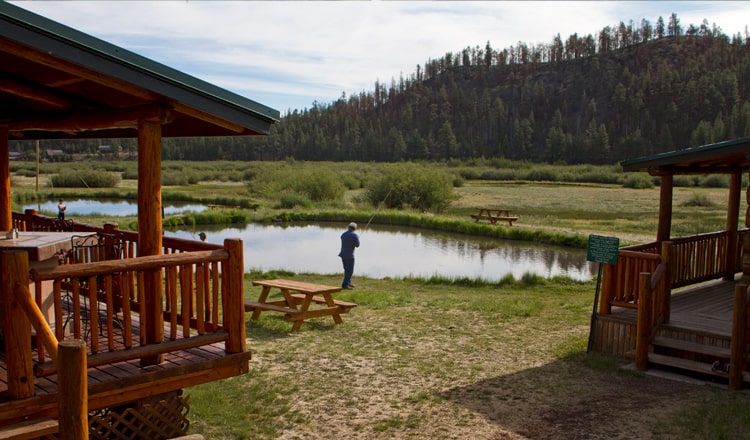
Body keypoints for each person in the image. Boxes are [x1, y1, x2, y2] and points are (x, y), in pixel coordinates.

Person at [338, 222, 360, 289]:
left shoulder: (343, 234)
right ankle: (345, 285)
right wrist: (357, 239)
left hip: (343, 254)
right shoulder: (354, 235)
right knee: (350, 271)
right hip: (350, 256)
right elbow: (357, 245)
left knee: (346, 269)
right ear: (355, 228)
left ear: (349, 227)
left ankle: (348, 283)